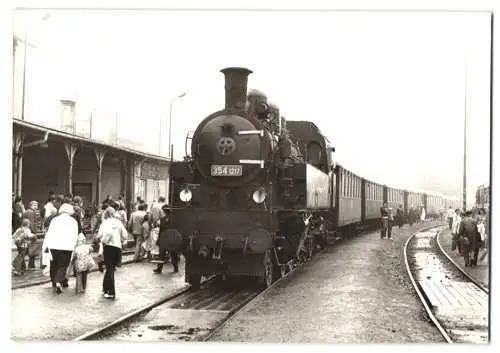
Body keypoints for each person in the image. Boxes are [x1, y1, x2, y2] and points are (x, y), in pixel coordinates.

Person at [41, 203, 79, 294]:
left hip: (54, 245)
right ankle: (58, 281)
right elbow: (75, 235)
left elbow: (49, 232)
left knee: (54, 263)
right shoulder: (73, 221)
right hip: (67, 246)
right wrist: (74, 246)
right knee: (63, 265)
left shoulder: (55, 220)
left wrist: (45, 245)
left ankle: (54, 281)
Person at [97, 207, 128, 299]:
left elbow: (99, 235)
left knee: (109, 269)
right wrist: (120, 240)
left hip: (108, 247)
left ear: (106, 214)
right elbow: (125, 235)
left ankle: (111, 292)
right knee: (111, 268)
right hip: (117, 248)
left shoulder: (104, 223)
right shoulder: (119, 222)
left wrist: (102, 240)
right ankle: (105, 288)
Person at [154, 205, 182, 274]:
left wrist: (159, 240)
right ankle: (161, 269)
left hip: (169, 239)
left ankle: (173, 268)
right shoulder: (164, 219)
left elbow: (162, 230)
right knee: (168, 254)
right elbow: (161, 230)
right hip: (168, 239)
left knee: (166, 254)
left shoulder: (172, 219)